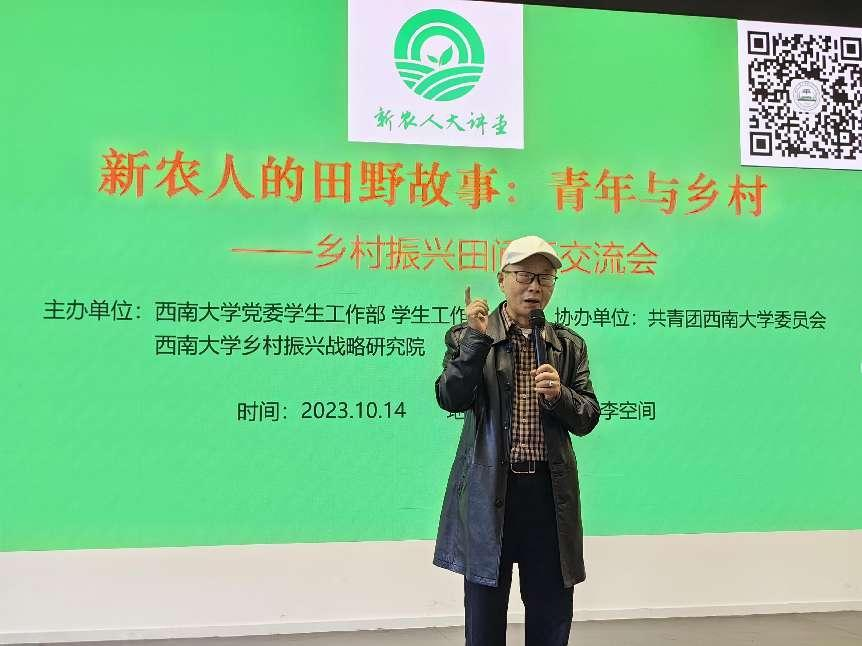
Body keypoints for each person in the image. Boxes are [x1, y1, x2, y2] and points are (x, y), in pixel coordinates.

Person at [432, 235, 600, 646]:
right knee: (485, 616)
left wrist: (560, 396)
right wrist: (476, 342)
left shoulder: (568, 345)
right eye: (524, 276)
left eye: (545, 278)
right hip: (491, 491)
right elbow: (450, 397)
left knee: (550, 612)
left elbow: (588, 417)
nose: (534, 287)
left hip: (548, 494)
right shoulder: (469, 337)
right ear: (502, 280)